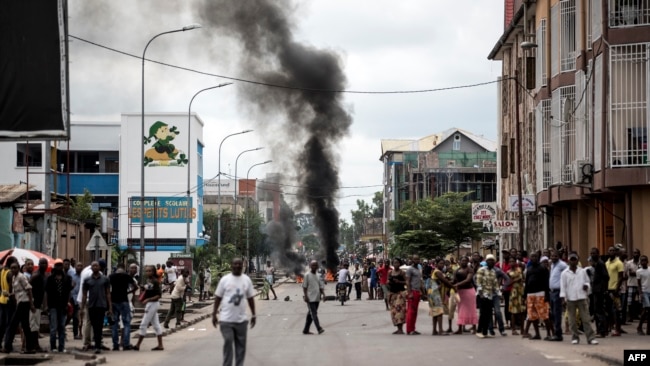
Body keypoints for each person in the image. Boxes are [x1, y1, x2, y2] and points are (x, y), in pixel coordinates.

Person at [212, 258, 256, 366]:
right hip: (226, 320)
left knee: (241, 346)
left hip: (241, 320)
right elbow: (218, 297)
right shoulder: (225, 280)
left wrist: (254, 314)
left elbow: (250, 298)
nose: (237, 266)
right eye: (235, 264)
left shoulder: (246, 280)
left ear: (242, 266)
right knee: (228, 340)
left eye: (239, 264)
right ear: (232, 265)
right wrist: (214, 314)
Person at [560, 252, 598, 345]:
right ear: (569, 261)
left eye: (575, 259)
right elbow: (563, 286)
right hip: (570, 298)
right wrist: (563, 298)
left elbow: (587, 282)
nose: (573, 261)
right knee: (572, 320)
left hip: (581, 297)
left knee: (586, 319)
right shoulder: (564, 273)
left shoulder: (582, 271)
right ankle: (575, 337)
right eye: (571, 259)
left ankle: (590, 338)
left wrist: (586, 286)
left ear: (577, 260)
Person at [1, 262, 34, 354]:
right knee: (25, 326)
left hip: (24, 302)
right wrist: (9, 294)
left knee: (13, 324)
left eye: (15, 268)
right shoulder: (14, 278)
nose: (13, 270)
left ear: (19, 268)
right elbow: (17, 292)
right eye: (11, 268)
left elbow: (29, 289)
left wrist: (31, 304)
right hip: (20, 302)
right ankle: (30, 348)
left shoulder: (21, 277)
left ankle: (7, 347)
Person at [81, 261, 112, 354]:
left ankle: (98, 345)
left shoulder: (105, 279)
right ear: (91, 268)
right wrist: (82, 308)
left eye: (96, 266)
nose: (95, 267)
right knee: (94, 326)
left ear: (99, 268)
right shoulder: (87, 280)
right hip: (91, 306)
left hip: (101, 306)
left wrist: (110, 307)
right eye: (93, 266)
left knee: (99, 326)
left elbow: (108, 293)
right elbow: (84, 295)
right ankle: (96, 345)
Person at [43, 259, 73, 352]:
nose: (59, 267)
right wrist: (46, 305)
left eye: (60, 265)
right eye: (57, 265)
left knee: (62, 327)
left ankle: (61, 347)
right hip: (53, 306)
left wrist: (67, 303)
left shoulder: (67, 278)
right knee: (53, 327)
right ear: (54, 267)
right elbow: (47, 293)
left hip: (63, 306)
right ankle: (53, 347)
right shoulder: (50, 279)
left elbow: (68, 292)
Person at [133, 265, 164, 352]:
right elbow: (148, 289)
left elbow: (159, 295)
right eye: (147, 271)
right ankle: (160, 345)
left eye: (150, 271)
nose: (148, 272)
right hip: (151, 304)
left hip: (152, 304)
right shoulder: (149, 281)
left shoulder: (155, 281)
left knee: (143, 324)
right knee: (156, 325)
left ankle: (138, 345)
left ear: (153, 272)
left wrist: (148, 299)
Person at [523, 252, 552, 340]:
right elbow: (527, 282)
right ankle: (537, 334)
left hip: (540, 294)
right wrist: (525, 295)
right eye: (532, 256)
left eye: (535, 256)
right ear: (530, 258)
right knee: (533, 315)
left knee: (544, 315)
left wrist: (547, 294)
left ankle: (548, 334)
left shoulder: (543, 268)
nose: (534, 258)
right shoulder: (529, 268)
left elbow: (547, 282)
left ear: (538, 257)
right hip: (530, 294)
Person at [109, 263, 134, 351]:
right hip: (124, 301)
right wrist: (128, 292)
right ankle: (126, 344)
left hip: (114, 301)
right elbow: (135, 286)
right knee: (126, 323)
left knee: (114, 324)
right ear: (124, 268)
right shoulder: (127, 276)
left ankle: (115, 345)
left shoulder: (111, 276)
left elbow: (108, 289)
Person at [475, 254, 500, 338]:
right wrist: (481, 294)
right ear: (486, 261)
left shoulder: (493, 272)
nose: (491, 262)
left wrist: (499, 293)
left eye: (492, 260)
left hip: (490, 295)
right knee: (483, 313)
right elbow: (478, 283)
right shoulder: (481, 270)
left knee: (489, 313)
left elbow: (495, 284)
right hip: (482, 295)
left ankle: (485, 331)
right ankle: (479, 330)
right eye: (489, 260)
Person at [428, 258, 454, 335]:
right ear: (436, 264)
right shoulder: (437, 272)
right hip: (436, 294)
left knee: (435, 312)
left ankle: (434, 330)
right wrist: (453, 286)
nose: (442, 265)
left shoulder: (439, 272)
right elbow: (444, 281)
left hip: (434, 293)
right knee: (439, 312)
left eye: (443, 263)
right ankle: (440, 330)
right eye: (440, 263)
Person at [29, 258, 49, 352]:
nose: (44, 265)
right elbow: (28, 289)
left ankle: (35, 345)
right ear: (39, 264)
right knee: (34, 325)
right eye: (42, 263)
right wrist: (31, 303)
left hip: (38, 304)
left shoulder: (44, 275)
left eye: (45, 263)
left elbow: (44, 291)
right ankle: (34, 345)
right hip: (33, 304)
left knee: (36, 325)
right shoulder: (36, 275)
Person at [548, 249, 568, 341]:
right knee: (552, 313)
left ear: (558, 256)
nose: (553, 257)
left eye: (555, 256)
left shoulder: (562, 265)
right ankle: (555, 333)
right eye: (552, 256)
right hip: (552, 292)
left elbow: (567, 276)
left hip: (558, 292)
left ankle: (558, 334)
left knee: (557, 313)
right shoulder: (552, 265)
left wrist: (564, 293)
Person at [590, 247, 609, 337]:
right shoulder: (596, 264)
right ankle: (599, 330)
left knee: (599, 311)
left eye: (594, 253)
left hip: (599, 291)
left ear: (598, 254)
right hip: (596, 290)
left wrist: (603, 289)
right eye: (591, 253)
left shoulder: (600, 264)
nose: (593, 255)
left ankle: (602, 331)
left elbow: (606, 277)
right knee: (596, 311)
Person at [454, 256, 477, 334]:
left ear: (467, 262)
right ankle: (460, 328)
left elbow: (468, 280)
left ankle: (474, 327)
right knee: (460, 309)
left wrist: (457, 284)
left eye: (465, 261)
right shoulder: (457, 270)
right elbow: (453, 280)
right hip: (460, 291)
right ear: (459, 261)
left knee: (471, 309)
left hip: (469, 291)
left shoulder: (470, 270)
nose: (463, 262)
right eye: (462, 260)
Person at [302, 260, 325, 335]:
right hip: (310, 298)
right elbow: (304, 287)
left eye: (315, 265)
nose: (314, 267)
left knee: (310, 314)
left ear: (317, 266)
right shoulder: (307, 275)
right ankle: (319, 328)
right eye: (313, 265)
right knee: (314, 313)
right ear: (310, 266)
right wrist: (305, 296)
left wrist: (324, 294)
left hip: (317, 297)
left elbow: (321, 286)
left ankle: (306, 330)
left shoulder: (318, 275)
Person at [605, 246, 624, 336]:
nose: (611, 252)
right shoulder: (607, 263)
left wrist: (617, 288)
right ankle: (610, 327)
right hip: (608, 289)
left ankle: (618, 329)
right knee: (608, 309)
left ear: (615, 252)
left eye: (613, 250)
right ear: (608, 252)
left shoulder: (619, 263)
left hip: (615, 290)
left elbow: (621, 277)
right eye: (610, 250)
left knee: (617, 310)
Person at [387, 258, 407, 334]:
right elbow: (387, 282)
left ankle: (400, 329)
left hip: (400, 293)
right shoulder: (390, 272)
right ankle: (398, 328)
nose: (396, 264)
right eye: (394, 263)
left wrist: (399, 282)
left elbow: (406, 282)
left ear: (400, 264)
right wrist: (389, 282)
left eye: (397, 263)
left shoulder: (402, 273)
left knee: (400, 310)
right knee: (394, 311)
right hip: (392, 293)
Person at [507, 257, 526, 335]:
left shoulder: (520, 269)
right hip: (513, 292)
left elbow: (524, 279)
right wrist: (515, 280)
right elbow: (507, 283)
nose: (512, 263)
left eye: (513, 261)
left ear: (515, 262)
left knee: (522, 311)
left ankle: (522, 329)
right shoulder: (508, 272)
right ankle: (513, 329)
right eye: (510, 261)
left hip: (521, 291)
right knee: (513, 312)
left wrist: (521, 280)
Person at [405, 255, 423, 335]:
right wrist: (410, 293)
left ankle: (413, 328)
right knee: (411, 311)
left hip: (417, 291)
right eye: (415, 259)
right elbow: (408, 281)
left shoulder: (418, 269)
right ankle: (409, 329)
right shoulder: (410, 269)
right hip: (412, 291)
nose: (417, 260)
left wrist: (421, 291)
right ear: (412, 260)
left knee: (415, 311)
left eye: (418, 259)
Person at [625, 249, 641, 323]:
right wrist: (636, 273)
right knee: (630, 301)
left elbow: (641, 273)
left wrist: (635, 272)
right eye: (634, 253)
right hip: (631, 284)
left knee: (640, 300)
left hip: (640, 285)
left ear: (639, 254)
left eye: (637, 253)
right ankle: (630, 316)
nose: (636, 254)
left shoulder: (641, 262)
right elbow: (629, 274)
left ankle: (639, 315)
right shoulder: (629, 263)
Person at [636, 255, 650, 335]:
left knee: (649, 310)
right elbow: (638, 284)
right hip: (644, 291)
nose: (644, 262)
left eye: (645, 260)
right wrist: (640, 293)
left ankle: (648, 329)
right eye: (642, 261)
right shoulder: (639, 271)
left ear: (647, 261)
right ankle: (639, 327)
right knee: (646, 308)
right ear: (640, 262)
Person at [70, 262, 83, 340]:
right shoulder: (72, 276)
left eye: (81, 266)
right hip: (72, 298)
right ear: (75, 267)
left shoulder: (83, 276)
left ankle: (78, 333)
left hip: (80, 299)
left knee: (79, 318)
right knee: (72, 317)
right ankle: (75, 333)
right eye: (78, 266)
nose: (79, 267)